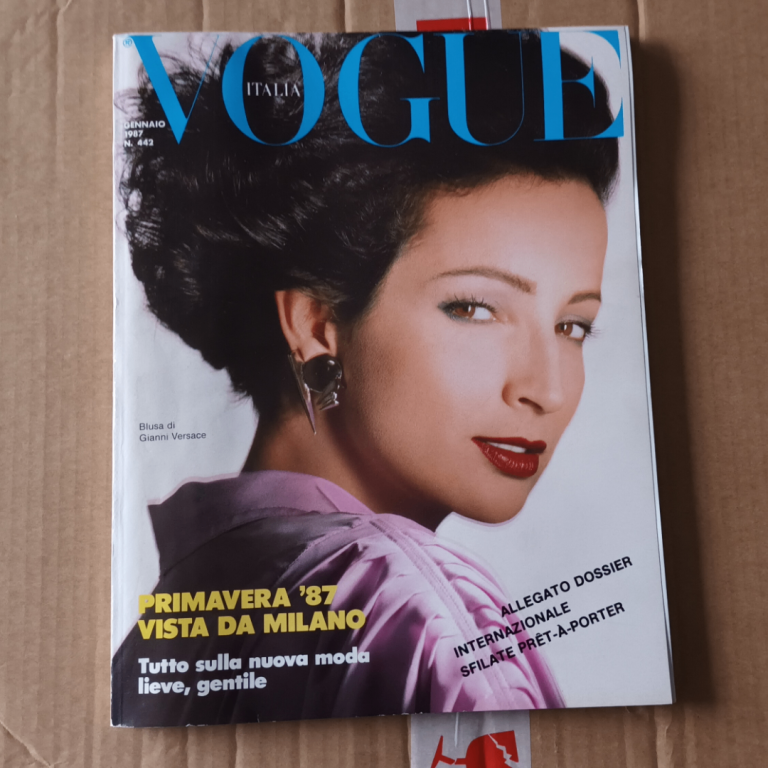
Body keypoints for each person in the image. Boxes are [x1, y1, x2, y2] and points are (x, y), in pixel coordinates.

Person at [112, 31, 619, 726]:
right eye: (474, 308)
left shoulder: (169, 623)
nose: (547, 390)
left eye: (572, 325)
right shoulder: (418, 616)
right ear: (317, 324)